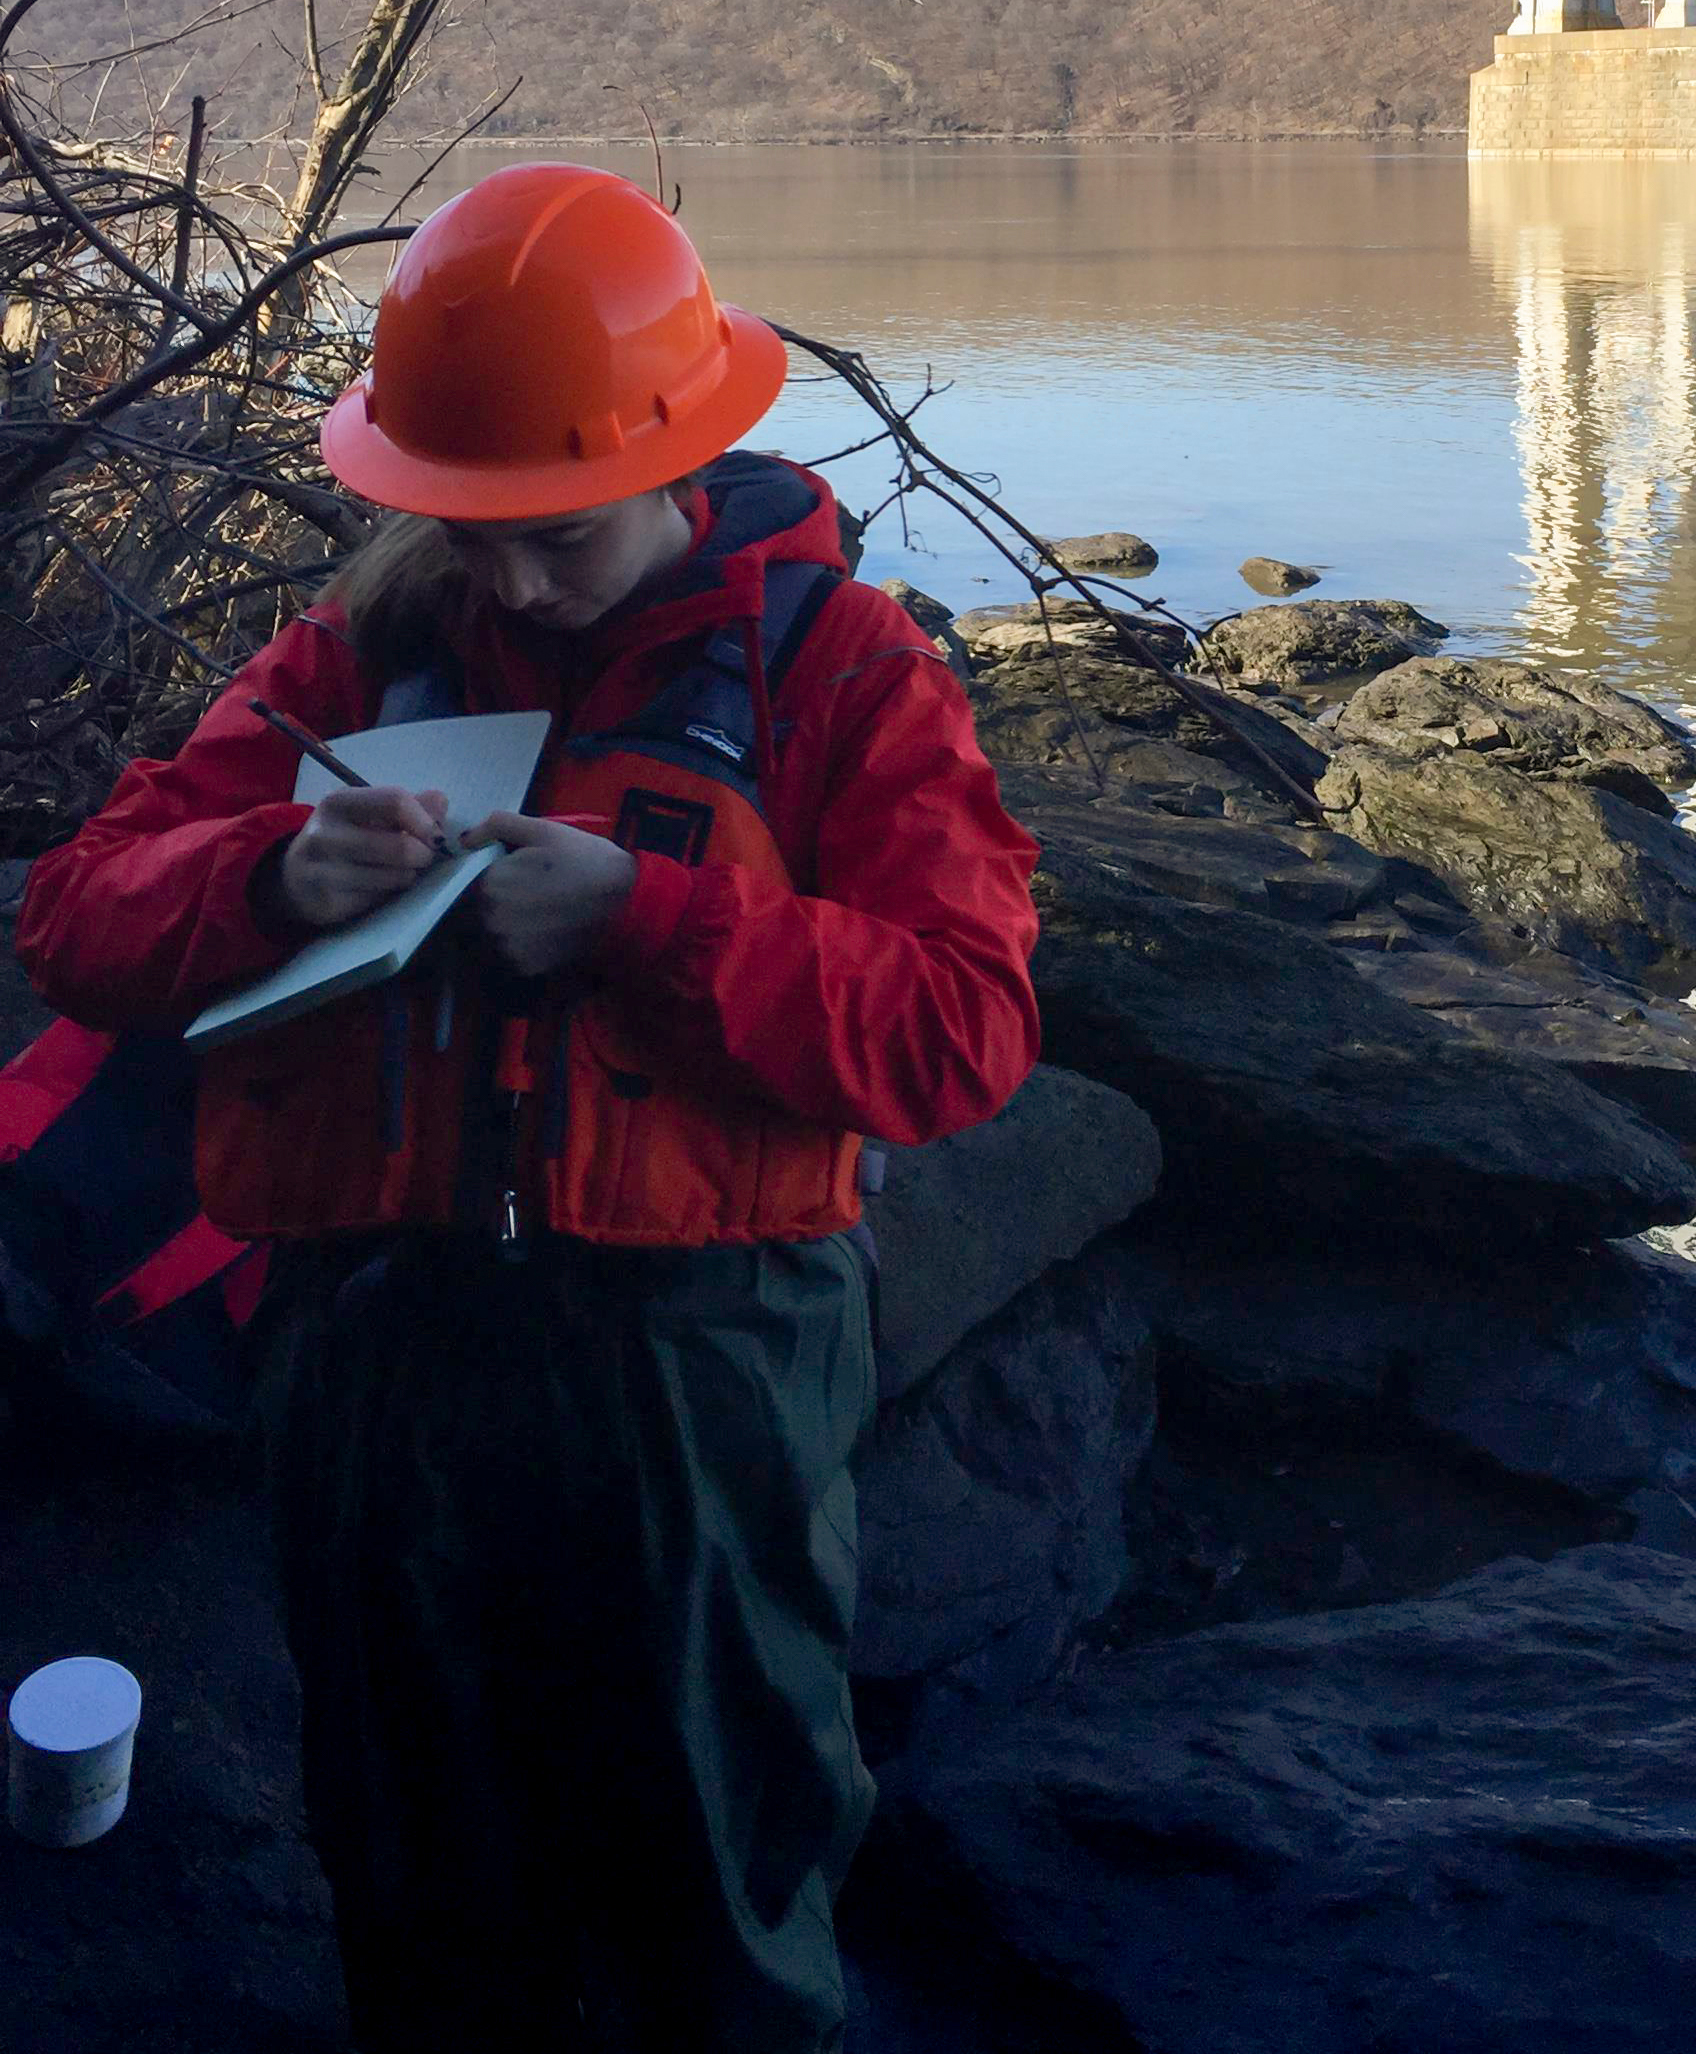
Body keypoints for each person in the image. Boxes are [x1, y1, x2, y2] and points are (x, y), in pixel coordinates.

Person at [19, 162, 1041, 2054]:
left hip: (701, 1358)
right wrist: (267, 875)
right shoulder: (351, 651)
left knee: (713, 1855)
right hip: (378, 1338)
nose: (502, 578)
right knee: (412, 1848)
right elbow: (77, 916)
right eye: (457, 523)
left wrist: (656, 919)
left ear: (679, 463)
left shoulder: (850, 674)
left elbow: (963, 1035)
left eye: (552, 535)